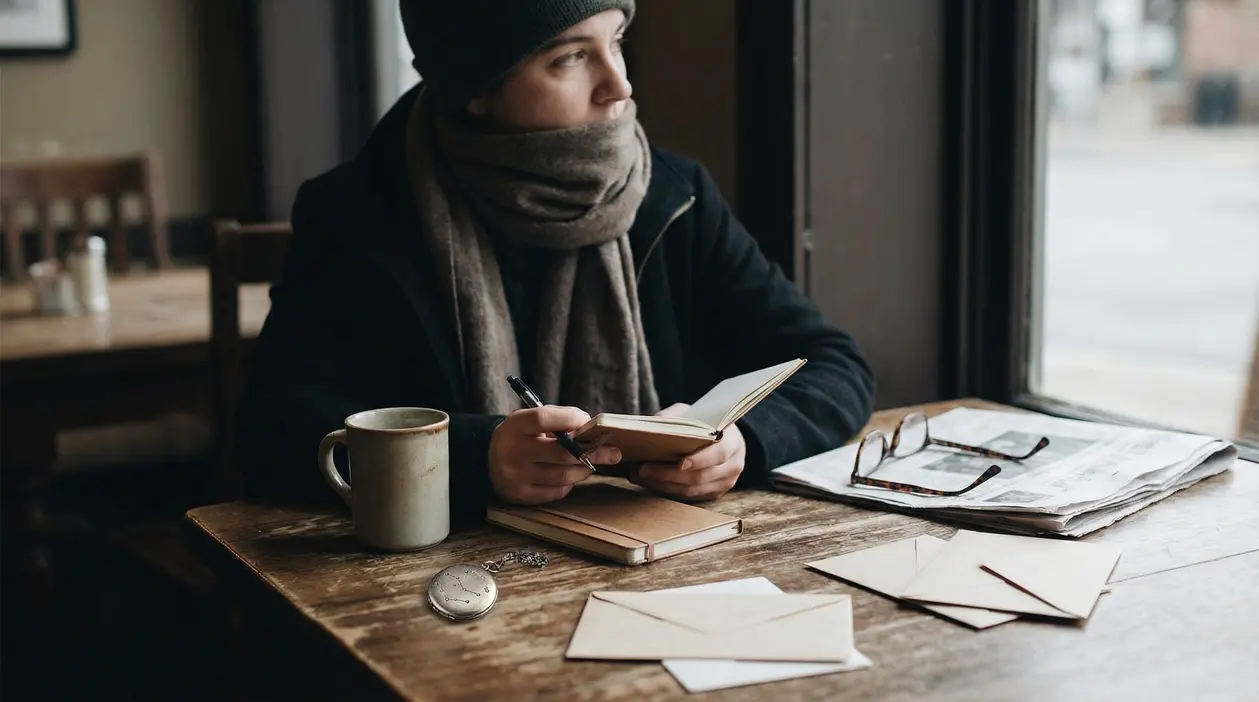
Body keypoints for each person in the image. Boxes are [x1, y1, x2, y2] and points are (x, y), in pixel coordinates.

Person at [235, 0, 876, 525]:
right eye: (571, 57)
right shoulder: (357, 212)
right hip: (436, 587)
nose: (620, 84)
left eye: (617, 40)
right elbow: (276, 427)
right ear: (477, 88)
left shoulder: (675, 195)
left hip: (662, 565)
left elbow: (833, 363)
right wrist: (475, 455)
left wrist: (745, 443)